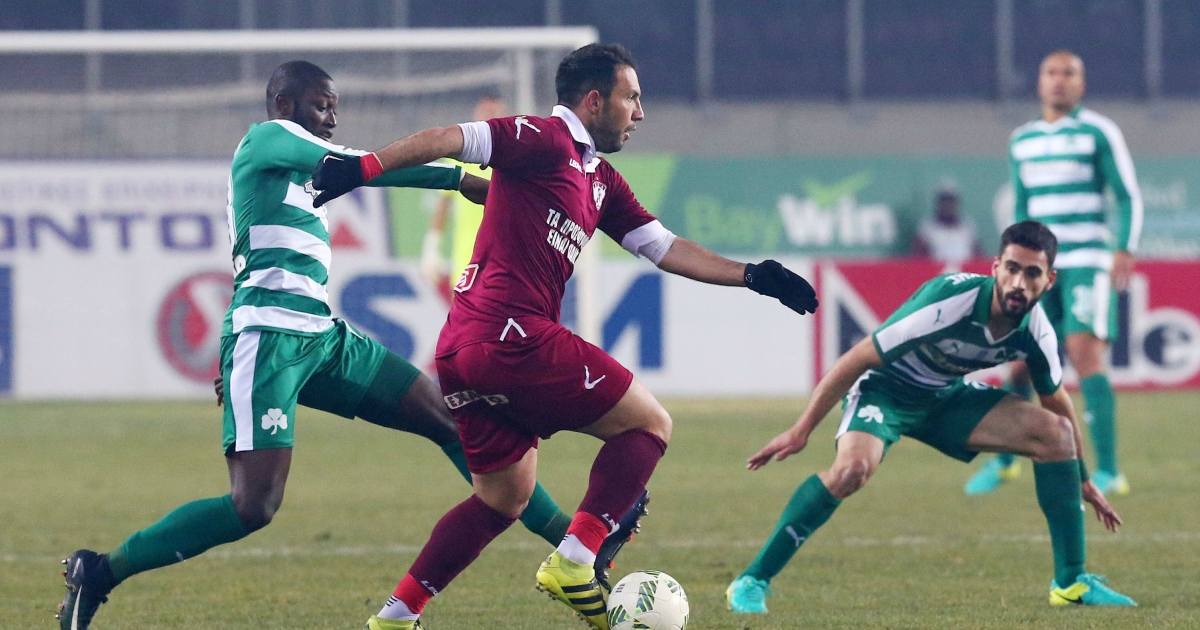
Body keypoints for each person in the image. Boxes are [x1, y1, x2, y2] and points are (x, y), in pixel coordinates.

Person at [54, 60, 643, 630]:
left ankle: (574, 544)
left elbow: (362, 170)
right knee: (253, 506)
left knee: (446, 418)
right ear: (284, 104)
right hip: (267, 337)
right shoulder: (266, 140)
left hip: (322, 337)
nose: (332, 118)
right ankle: (100, 571)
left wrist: (455, 180)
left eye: (335, 108)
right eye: (321, 106)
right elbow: (358, 165)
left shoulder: (308, 175)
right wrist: (458, 175)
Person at [310, 43, 819, 630]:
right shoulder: (543, 139)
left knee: (503, 498)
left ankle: (396, 616)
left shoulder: (600, 178)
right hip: (513, 335)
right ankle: (576, 559)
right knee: (649, 424)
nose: (640, 113)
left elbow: (663, 247)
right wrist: (362, 169)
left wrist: (753, 275)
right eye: (632, 98)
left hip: (461, 350)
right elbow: (450, 138)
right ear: (594, 101)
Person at [726, 221, 1135, 615]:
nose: (1018, 283)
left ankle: (1071, 583)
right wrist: (802, 430)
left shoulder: (1036, 329)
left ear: (1049, 281)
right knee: (852, 470)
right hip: (885, 390)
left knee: (1056, 433)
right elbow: (858, 358)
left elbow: (1057, 401)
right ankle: (751, 580)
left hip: (944, 396)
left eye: (1032, 273)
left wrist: (1081, 477)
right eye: (1011, 268)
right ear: (995, 267)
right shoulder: (949, 301)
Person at [966, 50, 1142, 497]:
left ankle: (1110, 470)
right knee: (1021, 360)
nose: (1059, 80)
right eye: (1051, 72)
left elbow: (1127, 195)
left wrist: (1124, 246)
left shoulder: (1098, 131)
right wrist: (1012, 265)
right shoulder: (1022, 140)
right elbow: (1022, 207)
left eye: (1069, 73)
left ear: (1081, 83)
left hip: (1087, 261)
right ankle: (1006, 461)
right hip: (1038, 268)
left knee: (1084, 353)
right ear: (1040, 81)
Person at [420, 95, 506, 304]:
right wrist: (431, 247)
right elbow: (443, 204)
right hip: (467, 261)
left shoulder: (513, 156)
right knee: (465, 320)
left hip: (506, 262)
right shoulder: (460, 154)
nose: (489, 117)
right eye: (485, 111)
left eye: (494, 112)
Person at [912, 184, 983, 272]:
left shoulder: (968, 228)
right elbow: (918, 259)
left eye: (950, 201)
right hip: (936, 274)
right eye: (944, 201)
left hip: (966, 275)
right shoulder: (927, 228)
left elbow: (979, 258)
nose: (947, 205)